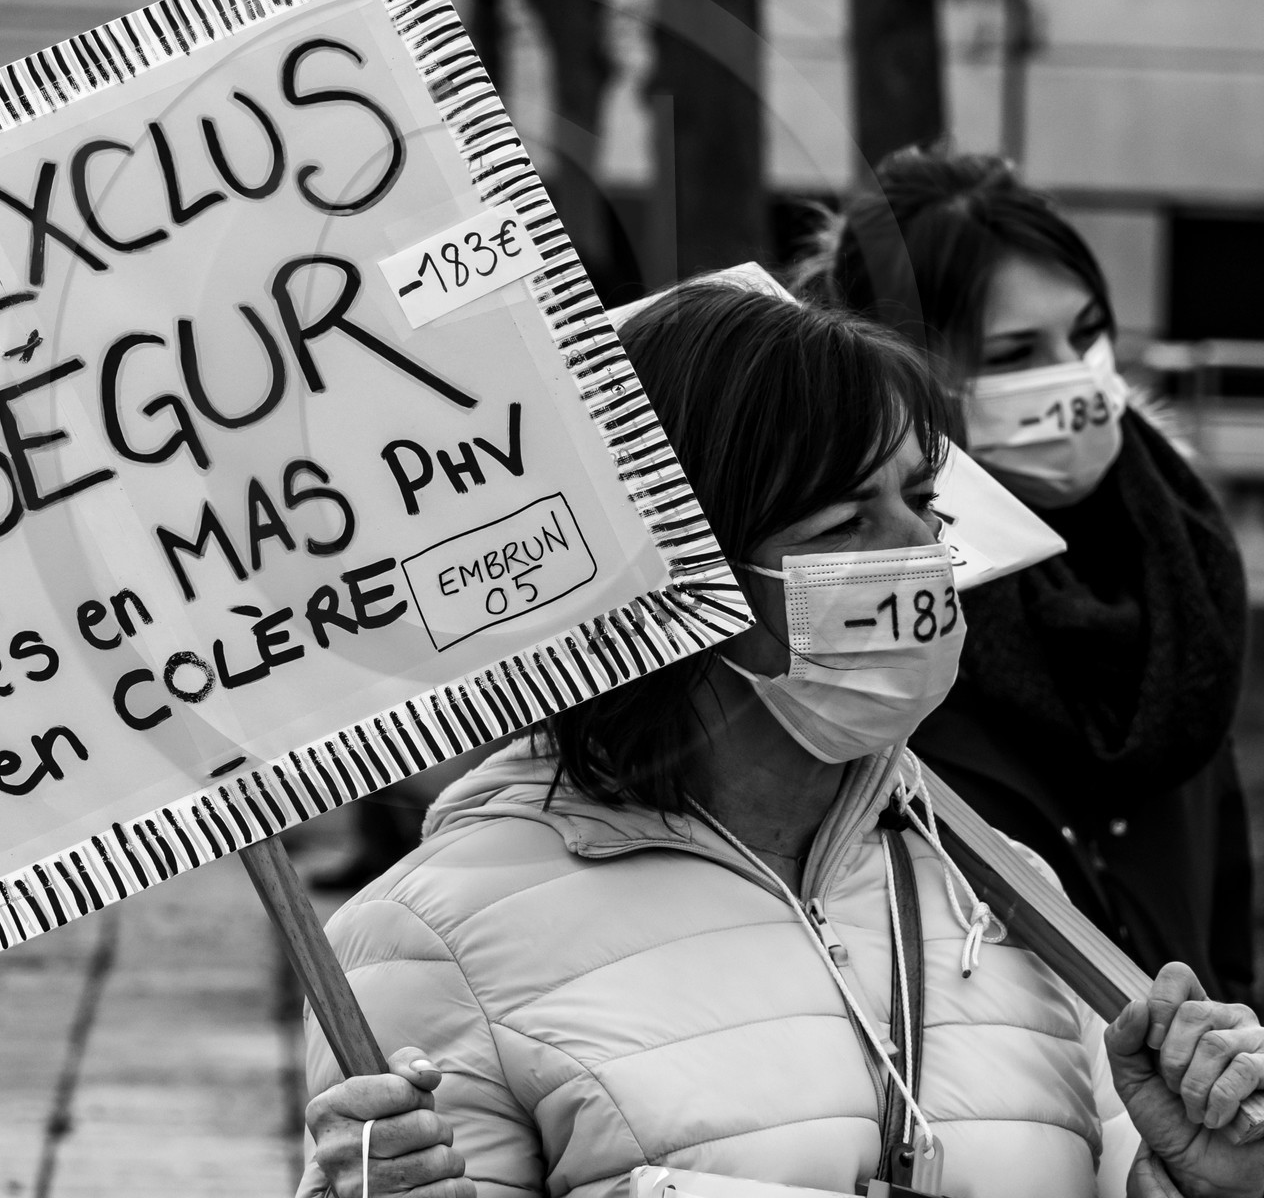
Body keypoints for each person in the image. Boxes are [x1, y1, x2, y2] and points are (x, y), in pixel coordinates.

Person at [297, 280, 1264, 1198]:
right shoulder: (433, 940)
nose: (916, 554)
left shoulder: (1012, 895)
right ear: (678, 572)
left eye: (922, 503)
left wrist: (1194, 1180)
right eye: (847, 519)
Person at [797, 151, 1253, 1003]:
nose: (1077, 379)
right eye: (1017, 353)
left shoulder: (1185, 564)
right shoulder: (857, 612)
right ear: (903, 370)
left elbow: (1226, 912)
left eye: (1086, 335)